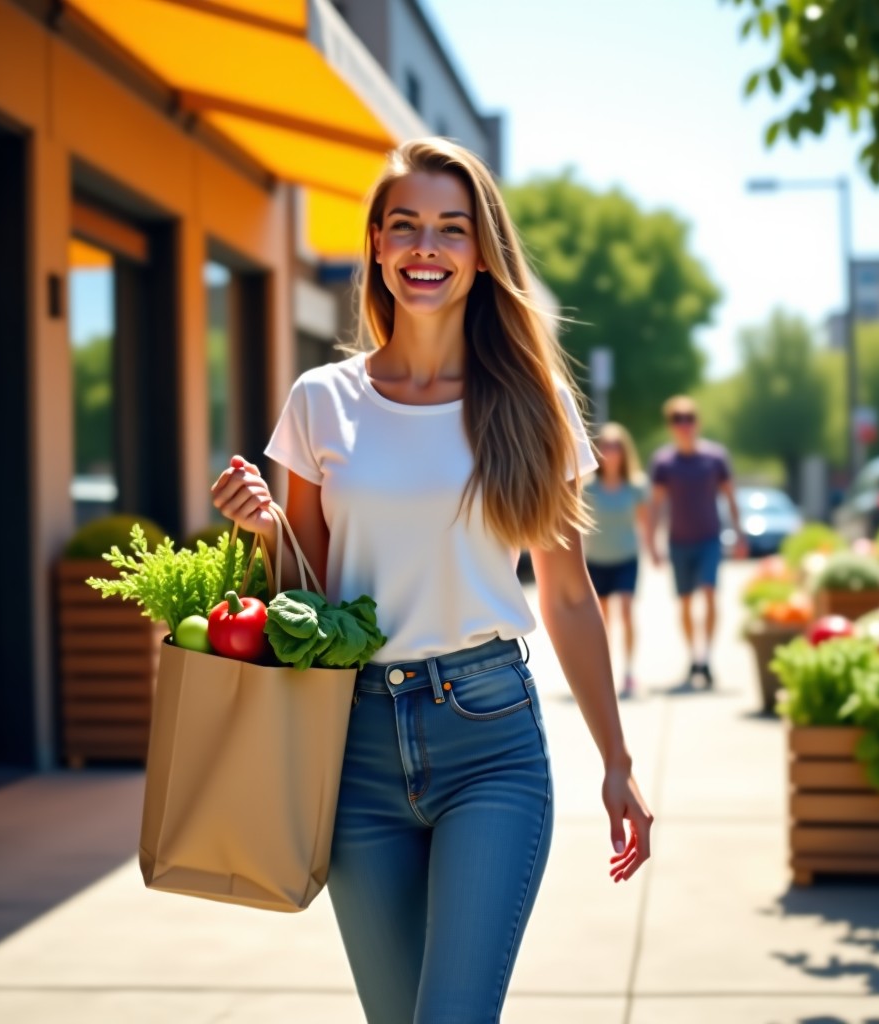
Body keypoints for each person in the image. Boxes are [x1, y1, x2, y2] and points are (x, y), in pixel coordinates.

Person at [211, 138, 652, 1024]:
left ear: (481, 253)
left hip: (488, 742)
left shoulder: (531, 403)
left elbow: (567, 595)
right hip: (357, 744)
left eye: (452, 229)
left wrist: (617, 760)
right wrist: (267, 533)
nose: (427, 247)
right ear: (374, 244)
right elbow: (312, 597)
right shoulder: (320, 400)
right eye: (405, 225)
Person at [648, 395, 745, 689]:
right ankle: (694, 657)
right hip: (679, 542)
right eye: (678, 419)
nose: (684, 424)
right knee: (686, 602)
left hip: (709, 540)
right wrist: (652, 542)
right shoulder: (664, 462)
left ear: (697, 422)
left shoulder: (715, 457)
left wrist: (739, 534)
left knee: (710, 592)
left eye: (689, 418)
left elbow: (730, 496)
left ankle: (708, 658)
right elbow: (655, 505)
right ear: (671, 426)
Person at [582, 422, 650, 698]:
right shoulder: (588, 488)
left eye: (616, 446)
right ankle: (604, 672)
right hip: (596, 560)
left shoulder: (636, 486)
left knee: (625, 610)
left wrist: (654, 551)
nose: (611, 451)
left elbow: (644, 523)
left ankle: (630, 672)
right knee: (603, 620)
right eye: (606, 446)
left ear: (624, 452)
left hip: (626, 558)